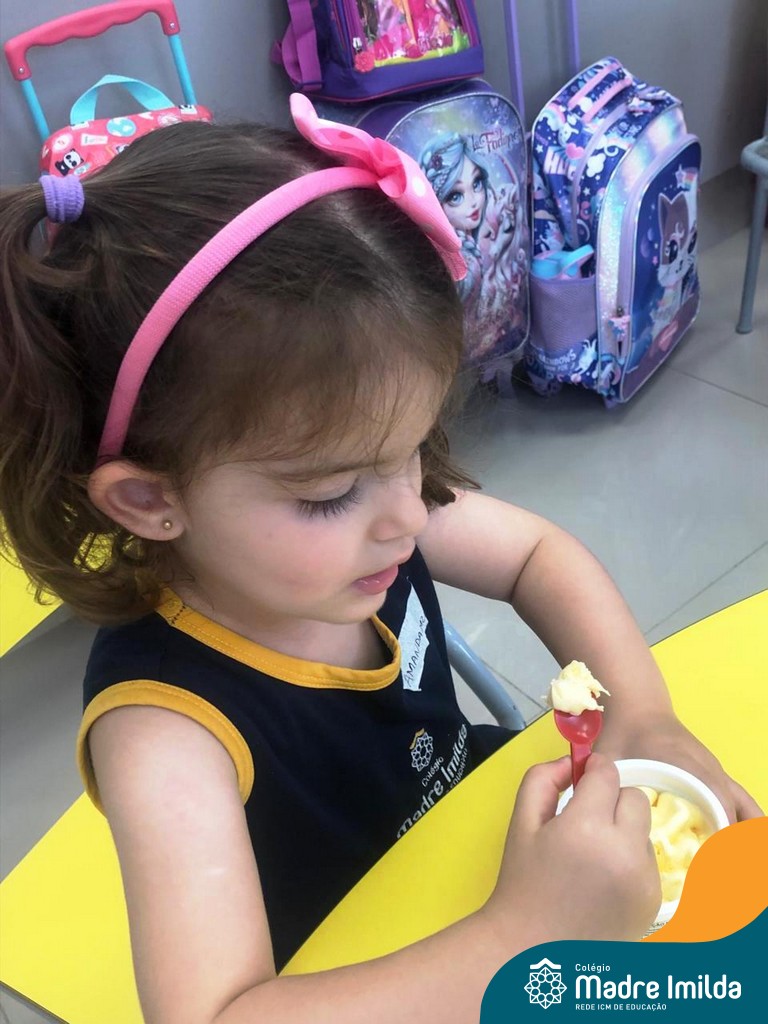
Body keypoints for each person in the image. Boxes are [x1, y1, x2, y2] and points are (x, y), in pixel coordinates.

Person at [0, 94, 760, 1024]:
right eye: (332, 492)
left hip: (482, 853)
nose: (409, 515)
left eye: (414, 451)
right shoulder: (162, 729)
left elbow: (536, 553)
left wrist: (642, 712)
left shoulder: (379, 518)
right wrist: (518, 937)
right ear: (152, 501)